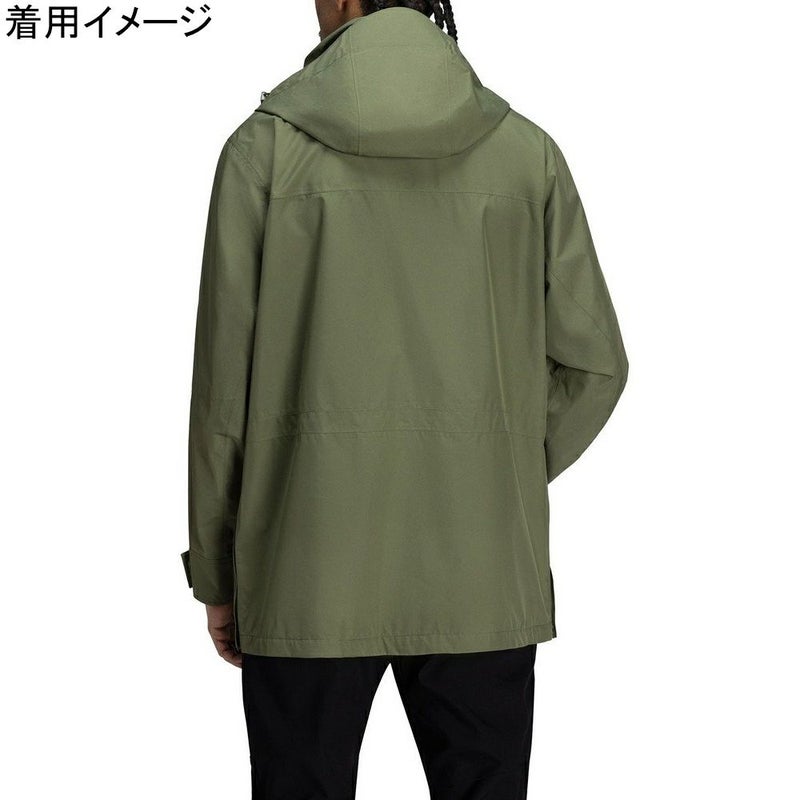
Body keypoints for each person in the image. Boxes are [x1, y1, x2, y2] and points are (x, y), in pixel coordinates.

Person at [179, 1, 629, 797]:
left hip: (305, 562)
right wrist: (494, 468)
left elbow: (223, 395)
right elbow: (595, 365)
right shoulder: (526, 153)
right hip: (482, 568)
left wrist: (216, 572)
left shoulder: (263, 151)